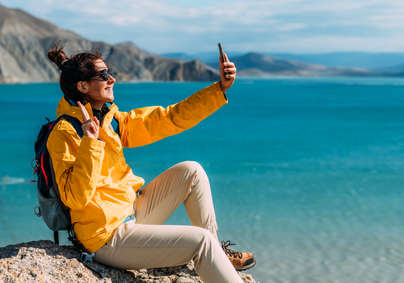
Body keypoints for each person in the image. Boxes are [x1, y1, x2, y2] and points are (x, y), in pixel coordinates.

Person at [46, 43, 255, 283]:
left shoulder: (110, 120)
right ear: (82, 86)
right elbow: (75, 198)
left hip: (130, 213)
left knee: (192, 171)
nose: (112, 78)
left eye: (109, 71)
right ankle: (212, 252)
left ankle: (218, 253)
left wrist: (220, 89)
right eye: (103, 75)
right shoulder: (65, 133)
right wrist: (90, 143)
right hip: (106, 236)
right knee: (201, 242)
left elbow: (169, 118)